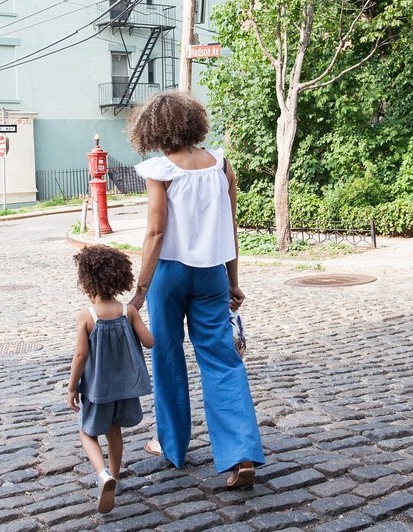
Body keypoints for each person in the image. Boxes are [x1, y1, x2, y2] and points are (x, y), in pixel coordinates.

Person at [126, 90, 265, 489]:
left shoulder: (160, 170)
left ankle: (172, 446)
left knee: (168, 357)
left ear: (152, 128)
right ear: (193, 123)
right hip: (211, 275)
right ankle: (240, 453)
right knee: (222, 359)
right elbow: (230, 227)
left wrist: (139, 291)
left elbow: (155, 231)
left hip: (169, 275)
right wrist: (233, 280)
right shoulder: (220, 163)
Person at [67, 244, 155, 514]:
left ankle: (102, 474)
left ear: (86, 283)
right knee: (114, 431)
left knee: (87, 432)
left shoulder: (87, 316)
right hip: (125, 388)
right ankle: (115, 477)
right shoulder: (129, 311)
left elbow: (81, 354)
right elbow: (149, 342)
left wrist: (72, 387)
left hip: (97, 390)